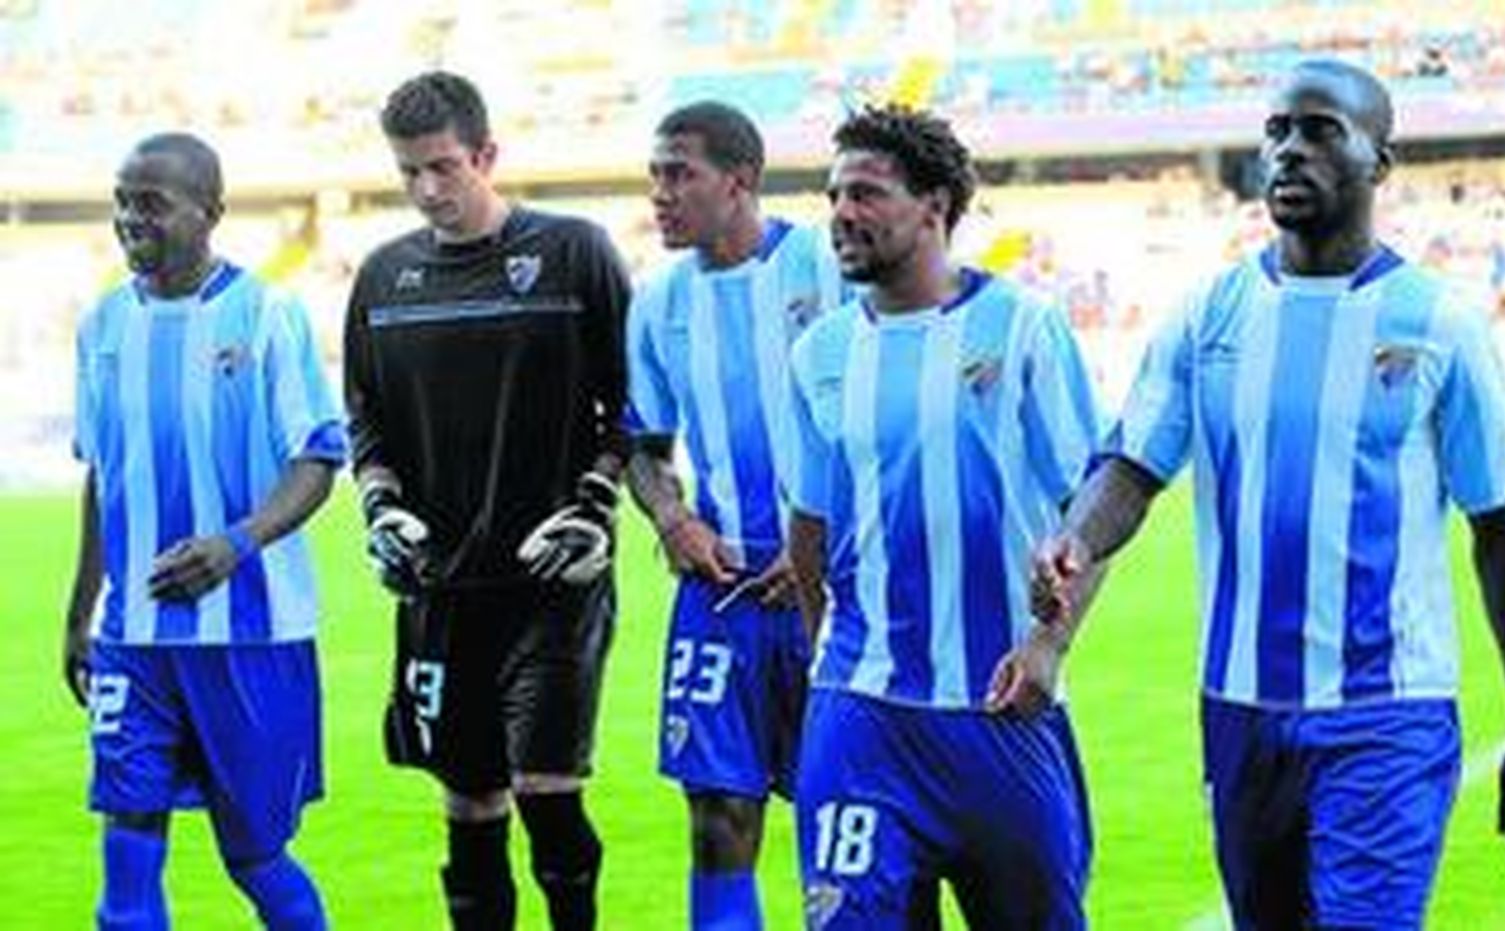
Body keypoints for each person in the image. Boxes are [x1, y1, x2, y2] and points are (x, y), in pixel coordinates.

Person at [1034, 59, 1505, 930]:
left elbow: (1501, 531)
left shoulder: (1437, 324)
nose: (1288, 150)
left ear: (1378, 162)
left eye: (1320, 131)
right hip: (1240, 708)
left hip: (1386, 714)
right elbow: (1130, 469)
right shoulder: (1210, 315)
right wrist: (1076, 540)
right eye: (1277, 131)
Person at [787, 104, 1102, 929]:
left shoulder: (1024, 326)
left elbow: (1091, 509)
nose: (842, 215)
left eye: (865, 193)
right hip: (861, 716)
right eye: (832, 197)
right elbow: (811, 526)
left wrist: (1046, 646)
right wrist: (835, 661)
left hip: (1001, 709)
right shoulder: (818, 353)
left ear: (934, 204)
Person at [343, 71, 630, 931]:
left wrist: (594, 503)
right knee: (469, 810)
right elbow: (364, 420)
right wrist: (380, 505)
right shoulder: (385, 276)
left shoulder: (576, 252)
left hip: (552, 587)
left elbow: (636, 405)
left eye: (443, 167)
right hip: (439, 595)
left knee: (549, 796)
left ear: (487, 155)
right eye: (408, 173)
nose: (428, 190)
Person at [62, 132, 344, 930]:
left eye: (150, 203)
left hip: (251, 634)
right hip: (136, 633)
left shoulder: (266, 316)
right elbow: (102, 472)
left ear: (209, 212)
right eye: (121, 202)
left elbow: (318, 459)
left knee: (252, 854)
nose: (129, 220)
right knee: (127, 845)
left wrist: (236, 543)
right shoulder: (102, 324)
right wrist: (83, 608)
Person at [624, 100, 842, 930]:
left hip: (832, 590)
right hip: (719, 593)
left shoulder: (826, 267)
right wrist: (672, 517)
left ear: (740, 179)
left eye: (679, 174)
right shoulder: (658, 301)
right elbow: (643, 443)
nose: (660, 193)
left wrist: (820, 542)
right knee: (717, 817)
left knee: (846, 814)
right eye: (655, 175)